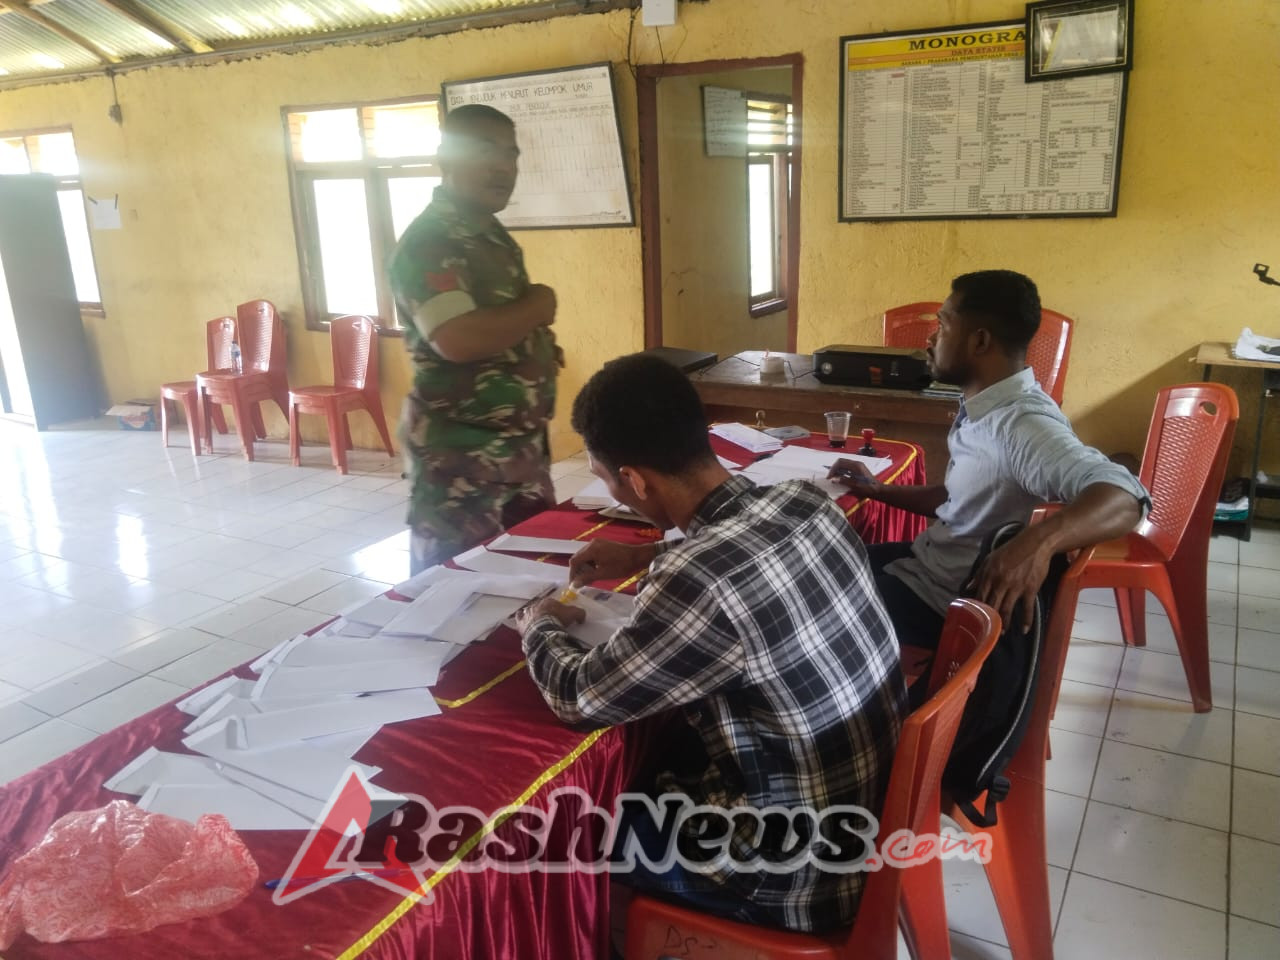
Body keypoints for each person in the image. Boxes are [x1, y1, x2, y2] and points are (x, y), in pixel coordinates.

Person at [514, 353, 906, 934]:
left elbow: (580, 698)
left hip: (789, 873)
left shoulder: (697, 580)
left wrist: (539, 622)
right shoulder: (806, 501)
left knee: (567, 831)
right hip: (866, 818)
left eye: (607, 480)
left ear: (637, 481)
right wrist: (645, 554)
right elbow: (740, 549)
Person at [829, 270, 1149, 647]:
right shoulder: (984, 409)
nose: (930, 338)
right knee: (819, 562)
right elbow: (959, 501)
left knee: (794, 600)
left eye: (943, 326)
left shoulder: (1021, 424)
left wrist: (1038, 543)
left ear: (979, 341)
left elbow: (1127, 494)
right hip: (924, 566)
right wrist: (878, 490)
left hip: (942, 604)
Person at [388, 104, 561, 574]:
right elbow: (456, 339)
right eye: (487, 151)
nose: (504, 166)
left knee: (529, 591)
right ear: (445, 157)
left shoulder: (490, 236)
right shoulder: (432, 241)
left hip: (519, 458)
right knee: (456, 606)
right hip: (462, 472)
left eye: (512, 154)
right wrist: (537, 307)